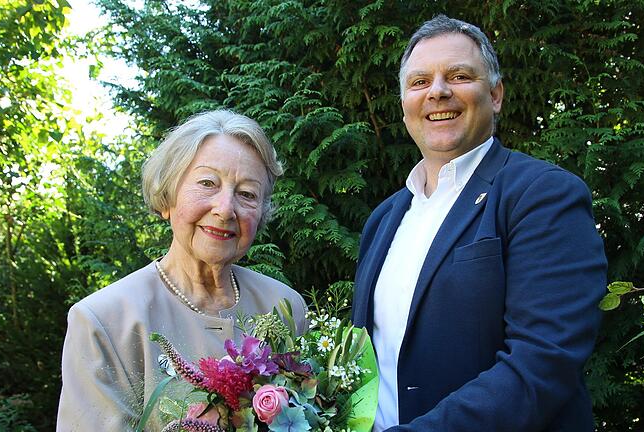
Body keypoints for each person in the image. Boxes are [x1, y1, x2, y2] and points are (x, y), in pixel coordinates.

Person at [351, 15, 607, 431]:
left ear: (496, 94)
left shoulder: (542, 194)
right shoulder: (383, 220)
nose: (437, 92)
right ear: (404, 108)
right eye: (419, 82)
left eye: (459, 75)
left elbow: (543, 361)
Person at [57, 110, 307, 431]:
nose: (225, 208)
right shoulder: (104, 322)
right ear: (167, 197)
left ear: (260, 214)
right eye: (207, 183)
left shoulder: (285, 307)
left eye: (246, 194)